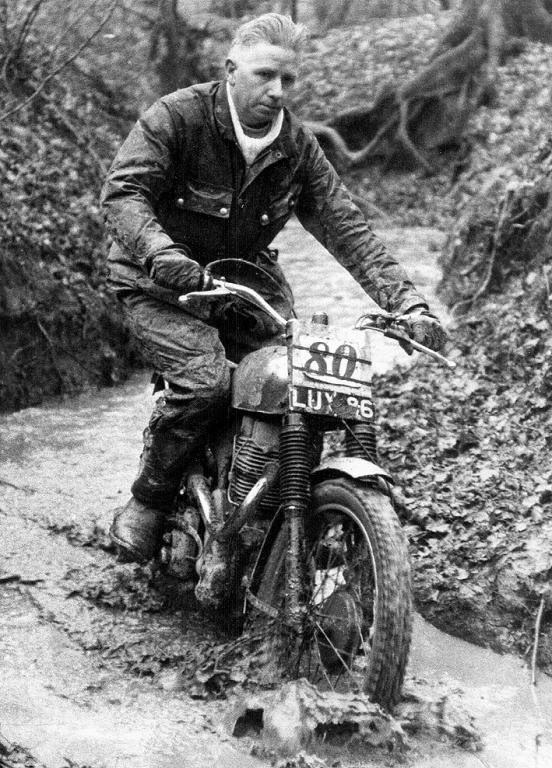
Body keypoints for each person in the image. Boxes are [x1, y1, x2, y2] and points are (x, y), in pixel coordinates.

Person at [101, 12, 447, 564]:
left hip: (245, 285)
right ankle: (149, 499)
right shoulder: (177, 117)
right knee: (207, 385)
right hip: (159, 285)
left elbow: (346, 228)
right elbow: (124, 193)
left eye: (288, 79)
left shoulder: (296, 147)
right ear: (231, 69)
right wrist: (161, 254)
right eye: (265, 75)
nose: (277, 91)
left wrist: (408, 303)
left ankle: (276, 513)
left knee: (298, 384)